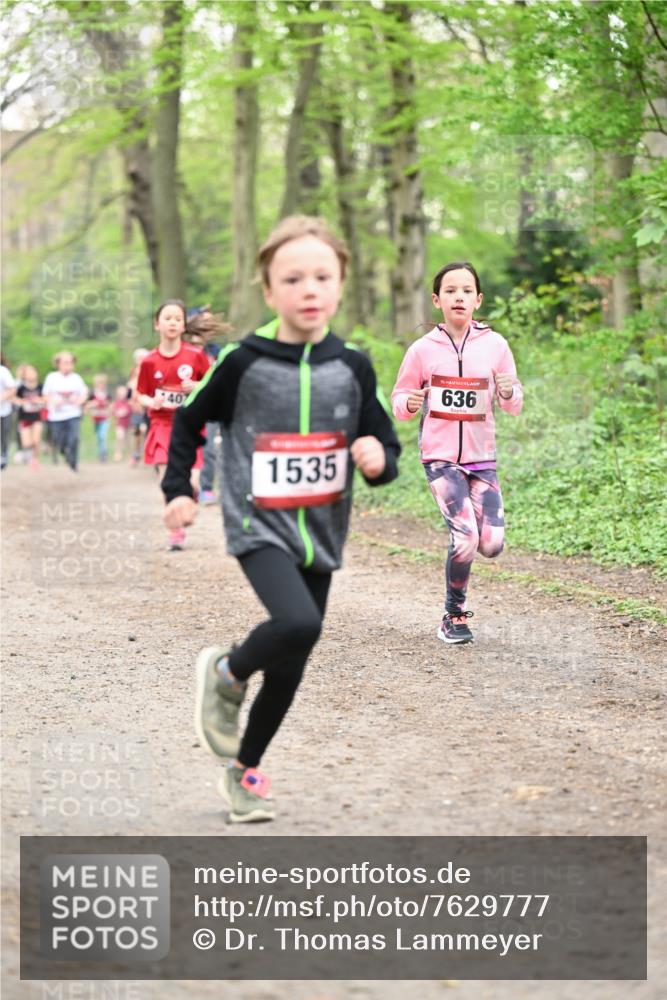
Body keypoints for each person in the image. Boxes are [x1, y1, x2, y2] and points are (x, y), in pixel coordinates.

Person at [162, 215, 401, 823]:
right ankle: (227, 670)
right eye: (292, 279)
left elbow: (381, 438)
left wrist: (379, 460)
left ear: (341, 283)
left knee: (293, 660)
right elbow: (189, 420)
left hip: (321, 528)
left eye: (323, 276)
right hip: (256, 523)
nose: (309, 289)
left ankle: (242, 773)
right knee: (298, 623)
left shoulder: (353, 364)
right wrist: (178, 486)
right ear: (270, 291)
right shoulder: (244, 361)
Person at [391, 262, 523, 645]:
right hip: (441, 458)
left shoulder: (496, 346)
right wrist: (411, 402)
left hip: (483, 459)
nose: (459, 296)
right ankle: (453, 615)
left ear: (478, 300)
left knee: (492, 544)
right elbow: (399, 400)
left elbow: (513, 403)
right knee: (465, 538)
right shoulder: (422, 350)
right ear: (437, 300)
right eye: (450, 290)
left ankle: (458, 593)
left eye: (466, 290)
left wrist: (510, 390)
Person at [135, 300, 210, 550]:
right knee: (168, 481)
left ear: (184, 325)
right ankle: (175, 533)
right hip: (162, 426)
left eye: (178, 318)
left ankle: (190, 497)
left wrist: (197, 386)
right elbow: (141, 394)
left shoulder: (196, 356)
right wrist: (153, 401)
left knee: (192, 483)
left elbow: (212, 387)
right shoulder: (149, 361)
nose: (173, 322)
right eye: (168, 318)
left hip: (189, 426)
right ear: (157, 324)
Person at [185, 306, 230, 506]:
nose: (211, 326)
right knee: (190, 448)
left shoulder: (216, 351)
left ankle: (207, 488)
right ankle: (188, 486)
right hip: (187, 406)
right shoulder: (184, 350)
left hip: (211, 405)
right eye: (206, 322)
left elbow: (221, 378)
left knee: (210, 448)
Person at [42, 352, 88, 472]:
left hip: (73, 414)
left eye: (70, 363)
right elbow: (45, 395)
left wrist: (79, 401)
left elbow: (84, 393)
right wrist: (53, 401)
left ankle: (73, 462)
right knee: (58, 439)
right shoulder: (52, 377)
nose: (68, 365)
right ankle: (65, 453)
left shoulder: (76, 378)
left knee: (74, 438)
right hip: (56, 416)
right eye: (65, 363)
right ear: (58, 364)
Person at [14, 363, 44, 469]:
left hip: (37, 417)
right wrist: (22, 402)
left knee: (36, 440)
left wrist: (39, 401)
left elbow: (46, 398)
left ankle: (35, 460)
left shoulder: (41, 387)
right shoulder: (20, 388)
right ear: (24, 375)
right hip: (24, 417)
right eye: (28, 372)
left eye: (33, 371)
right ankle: (26, 454)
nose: (31, 374)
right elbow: (14, 398)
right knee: (27, 443)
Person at [128, 348, 149, 467]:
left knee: (145, 430)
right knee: (137, 432)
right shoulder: (133, 373)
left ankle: (147, 453)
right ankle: (136, 455)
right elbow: (130, 393)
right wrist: (133, 403)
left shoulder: (150, 371)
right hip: (137, 409)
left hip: (147, 407)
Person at [86, 374, 112, 462]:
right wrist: (94, 404)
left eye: (102, 383)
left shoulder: (107, 394)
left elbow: (111, 405)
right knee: (98, 437)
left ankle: (104, 454)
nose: (101, 385)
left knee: (102, 436)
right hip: (96, 418)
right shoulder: (93, 394)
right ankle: (100, 453)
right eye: (99, 383)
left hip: (105, 417)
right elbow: (87, 405)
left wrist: (108, 408)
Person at [0, 355, 16, 470]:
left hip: (3, 410)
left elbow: (12, 389)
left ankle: (4, 455)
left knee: (4, 435)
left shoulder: (3, 371)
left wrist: (1, 398)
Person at [111, 385, 133, 462]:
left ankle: (130, 455)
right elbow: (113, 412)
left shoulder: (129, 403)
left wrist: (126, 411)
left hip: (128, 424)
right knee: (120, 437)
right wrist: (117, 413)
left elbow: (131, 411)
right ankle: (118, 453)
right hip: (119, 424)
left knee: (129, 441)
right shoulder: (116, 403)